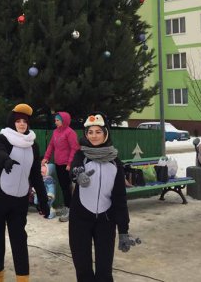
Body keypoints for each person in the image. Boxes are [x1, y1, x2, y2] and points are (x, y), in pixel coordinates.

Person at [0, 103, 49, 282]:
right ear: (13, 123)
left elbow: (36, 175)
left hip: (19, 200)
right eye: (18, 121)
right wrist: (5, 161)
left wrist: (43, 200)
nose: (21, 124)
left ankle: (23, 278)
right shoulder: (4, 138)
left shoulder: (32, 145)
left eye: (24, 121)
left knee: (19, 239)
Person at [69, 112, 135, 282]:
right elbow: (75, 169)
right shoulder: (81, 156)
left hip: (106, 221)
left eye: (98, 131)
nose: (94, 136)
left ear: (105, 133)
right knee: (83, 269)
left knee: (104, 272)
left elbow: (120, 198)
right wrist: (78, 176)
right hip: (80, 220)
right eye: (90, 132)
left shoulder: (115, 161)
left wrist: (123, 231)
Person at [42, 111, 79, 222]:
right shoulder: (55, 132)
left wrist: (70, 163)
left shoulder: (70, 133)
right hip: (58, 163)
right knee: (63, 187)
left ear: (64, 121)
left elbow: (75, 148)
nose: (56, 122)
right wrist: (46, 157)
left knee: (68, 187)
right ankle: (67, 207)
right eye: (55, 120)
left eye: (58, 120)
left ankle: (70, 210)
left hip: (67, 165)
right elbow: (51, 146)